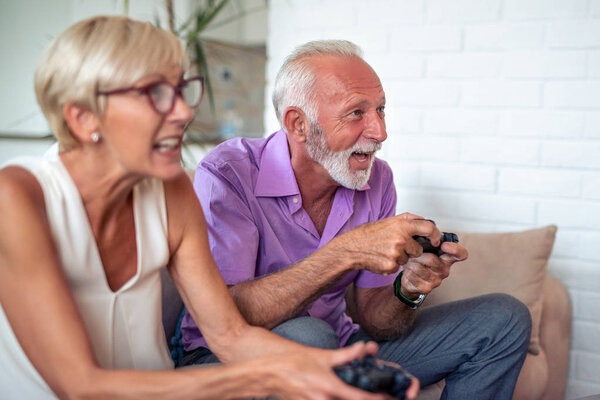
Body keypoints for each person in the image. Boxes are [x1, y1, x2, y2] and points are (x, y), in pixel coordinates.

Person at [0, 17, 419, 400]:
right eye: (156, 94)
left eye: (182, 90)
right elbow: (80, 385)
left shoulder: (174, 190)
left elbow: (231, 335)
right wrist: (274, 374)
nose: (184, 112)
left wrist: (329, 367)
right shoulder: (18, 198)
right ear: (83, 117)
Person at [181, 40, 532, 399]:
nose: (380, 132)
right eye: (356, 113)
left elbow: (377, 322)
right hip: (222, 357)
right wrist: (345, 252)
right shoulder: (229, 173)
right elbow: (226, 318)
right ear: (298, 124)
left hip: (340, 350)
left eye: (381, 110)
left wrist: (406, 291)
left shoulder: (376, 180)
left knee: (503, 318)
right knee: (309, 335)